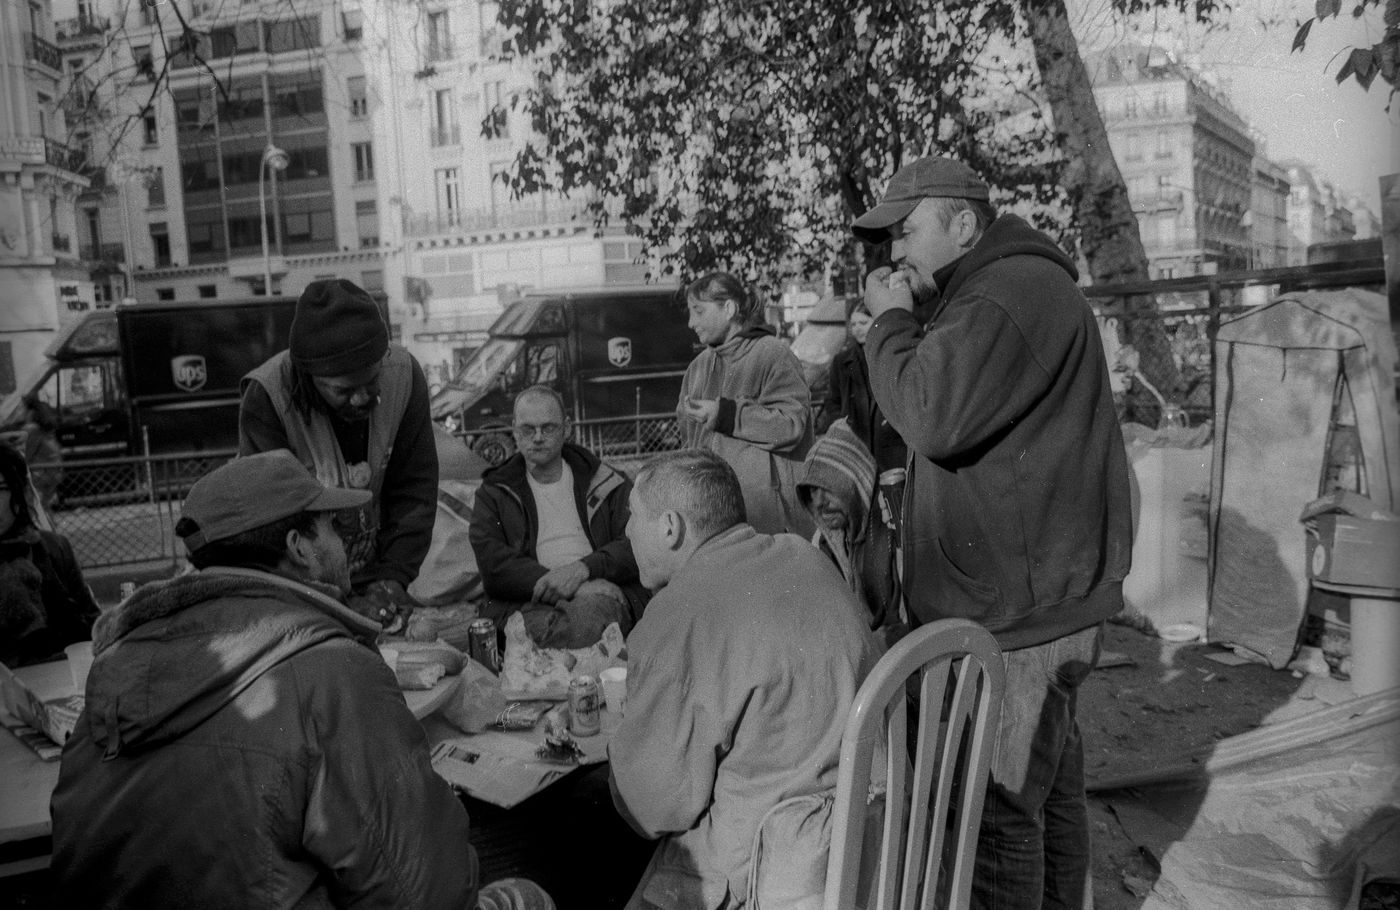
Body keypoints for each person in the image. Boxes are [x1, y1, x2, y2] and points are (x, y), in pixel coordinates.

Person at [49, 449, 552, 910]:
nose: (343, 542)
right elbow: (424, 895)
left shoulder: (116, 666)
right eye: (332, 527)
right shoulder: (333, 671)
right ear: (300, 548)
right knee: (526, 898)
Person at [852, 156, 1132, 909]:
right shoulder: (1002, 290)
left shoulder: (1004, 295)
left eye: (906, 231)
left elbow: (930, 415)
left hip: (1020, 618)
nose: (895, 255)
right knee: (1048, 795)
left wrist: (888, 323)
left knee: (996, 817)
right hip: (1036, 604)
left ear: (964, 224)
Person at [610, 449, 876, 909]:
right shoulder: (804, 555)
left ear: (670, 527)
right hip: (877, 847)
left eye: (633, 515)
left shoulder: (678, 615)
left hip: (777, 875)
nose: (627, 531)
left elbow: (653, 808)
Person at [240, 278, 437, 631]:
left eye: (372, 381)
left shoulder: (405, 375)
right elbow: (270, 525)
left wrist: (393, 578)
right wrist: (333, 602)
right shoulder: (267, 398)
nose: (362, 398)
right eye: (343, 390)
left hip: (376, 570)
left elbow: (414, 489)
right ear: (310, 377)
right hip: (303, 588)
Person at [470, 385, 646, 648]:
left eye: (548, 428)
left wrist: (584, 569)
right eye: (527, 429)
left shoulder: (607, 481)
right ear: (514, 431)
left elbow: (637, 541)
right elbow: (494, 566)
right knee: (543, 629)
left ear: (567, 428)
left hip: (599, 596)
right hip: (528, 602)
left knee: (588, 621)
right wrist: (572, 584)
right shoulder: (494, 492)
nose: (537, 437)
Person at [677, 271, 814, 537]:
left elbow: (790, 427)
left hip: (770, 524)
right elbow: (688, 444)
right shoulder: (698, 368)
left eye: (699, 311)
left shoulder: (773, 354)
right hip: (713, 518)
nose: (691, 322)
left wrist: (726, 415)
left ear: (728, 309)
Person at [796, 419, 904, 651]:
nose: (819, 501)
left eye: (827, 488)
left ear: (855, 483)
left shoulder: (893, 534)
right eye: (812, 490)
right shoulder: (823, 545)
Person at [0, 441, 97, 667]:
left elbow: (91, 623)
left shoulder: (52, 547)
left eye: (2, 489)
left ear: (22, 491)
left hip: (61, 678)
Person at [814, 301, 907, 472]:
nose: (857, 329)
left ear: (876, 322)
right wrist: (843, 426)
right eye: (853, 324)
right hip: (856, 447)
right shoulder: (841, 362)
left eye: (863, 323)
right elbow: (833, 401)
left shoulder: (891, 354)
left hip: (891, 448)